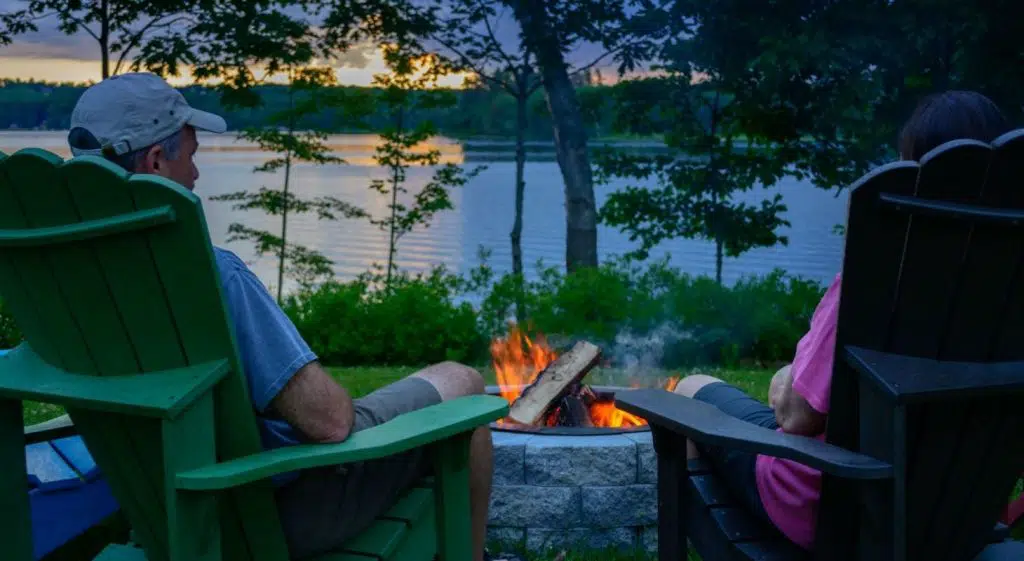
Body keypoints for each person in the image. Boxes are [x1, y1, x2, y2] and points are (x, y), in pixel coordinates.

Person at [66, 72, 495, 561]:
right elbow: (330, 423)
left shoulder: (67, 290)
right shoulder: (211, 276)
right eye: (191, 155)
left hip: (158, 511)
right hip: (272, 510)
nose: (197, 176)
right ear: (157, 161)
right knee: (462, 386)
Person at [671, 90, 1013, 550]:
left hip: (833, 514)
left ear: (913, 177)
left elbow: (796, 416)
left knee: (690, 391)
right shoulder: (1012, 292)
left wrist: (786, 377)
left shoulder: (878, 277)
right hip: (957, 519)